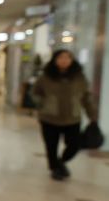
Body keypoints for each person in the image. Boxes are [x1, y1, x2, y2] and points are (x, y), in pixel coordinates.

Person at [32, 49, 98, 180]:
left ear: (72, 60)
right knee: (51, 146)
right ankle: (55, 168)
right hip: (49, 118)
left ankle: (61, 162)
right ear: (55, 60)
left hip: (72, 118)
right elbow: (35, 92)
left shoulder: (79, 77)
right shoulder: (45, 76)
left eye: (68, 58)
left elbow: (86, 97)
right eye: (61, 57)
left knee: (74, 145)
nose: (64, 60)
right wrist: (42, 103)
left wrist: (93, 115)